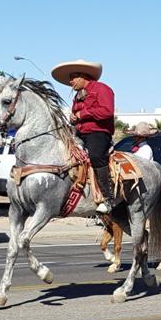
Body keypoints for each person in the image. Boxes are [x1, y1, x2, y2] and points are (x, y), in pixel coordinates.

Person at [52, 59, 115, 214]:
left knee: (95, 156)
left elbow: (107, 111)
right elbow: (77, 116)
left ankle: (108, 198)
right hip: (81, 133)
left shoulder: (102, 89)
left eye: (73, 78)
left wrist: (82, 114)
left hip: (98, 132)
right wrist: (73, 118)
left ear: (82, 76)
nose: (70, 81)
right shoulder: (77, 96)